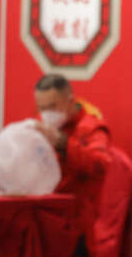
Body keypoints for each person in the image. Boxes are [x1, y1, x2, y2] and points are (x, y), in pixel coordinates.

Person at [33, 74, 111, 222]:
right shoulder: (42, 123)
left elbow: (101, 164)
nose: (46, 114)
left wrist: (63, 144)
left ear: (70, 101)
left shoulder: (92, 127)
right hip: (43, 209)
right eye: (41, 108)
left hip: (76, 216)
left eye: (52, 107)